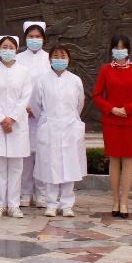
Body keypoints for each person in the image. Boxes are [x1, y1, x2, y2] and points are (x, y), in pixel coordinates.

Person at [92, 35, 132, 219]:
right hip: (111, 120)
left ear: (128, 50)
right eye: (116, 47)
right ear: (111, 50)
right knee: (114, 160)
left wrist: (128, 109)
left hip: (129, 120)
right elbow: (97, 95)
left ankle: (124, 201)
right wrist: (111, 109)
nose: (119, 51)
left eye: (122, 47)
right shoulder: (105, 70)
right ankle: (115, 200)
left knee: (127, 160)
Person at [0, 35, 32, 218]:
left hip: (17, 125)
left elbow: (25, 97)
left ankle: (14, 205)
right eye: (4, 47)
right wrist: (2, 119)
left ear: (16, 49)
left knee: (17, 168)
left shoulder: (24, 72)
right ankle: (0, 204)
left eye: (11, 47)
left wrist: (13, 118)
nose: (8, 50)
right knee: (0, 167)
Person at [34, 45, 86, 218]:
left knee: (69, 166)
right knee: (51, 167)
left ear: (68, 59)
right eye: (56, 56)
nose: (59, 60)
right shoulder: (42, 80)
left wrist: (70, 119)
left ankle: (67, 204)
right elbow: (36, 105)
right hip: (49, 127)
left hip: (70, 127)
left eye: (63, 56)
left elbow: (79, 103)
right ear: (50, 59)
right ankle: (51, 203)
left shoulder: (75, 80)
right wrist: (46, 120)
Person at [16, 21, 49, 208]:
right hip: (23, 114)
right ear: (25, 38)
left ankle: (42, 193)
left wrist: (40, 108)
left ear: (43, 39)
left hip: (44, 115)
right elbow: (14, 85)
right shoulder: (18, 59)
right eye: (31, 36)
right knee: (25, 156)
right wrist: (25, 107)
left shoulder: (50, 58)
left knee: (43, 156)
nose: (34, 40)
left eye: (38, 36)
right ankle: (25, 192)